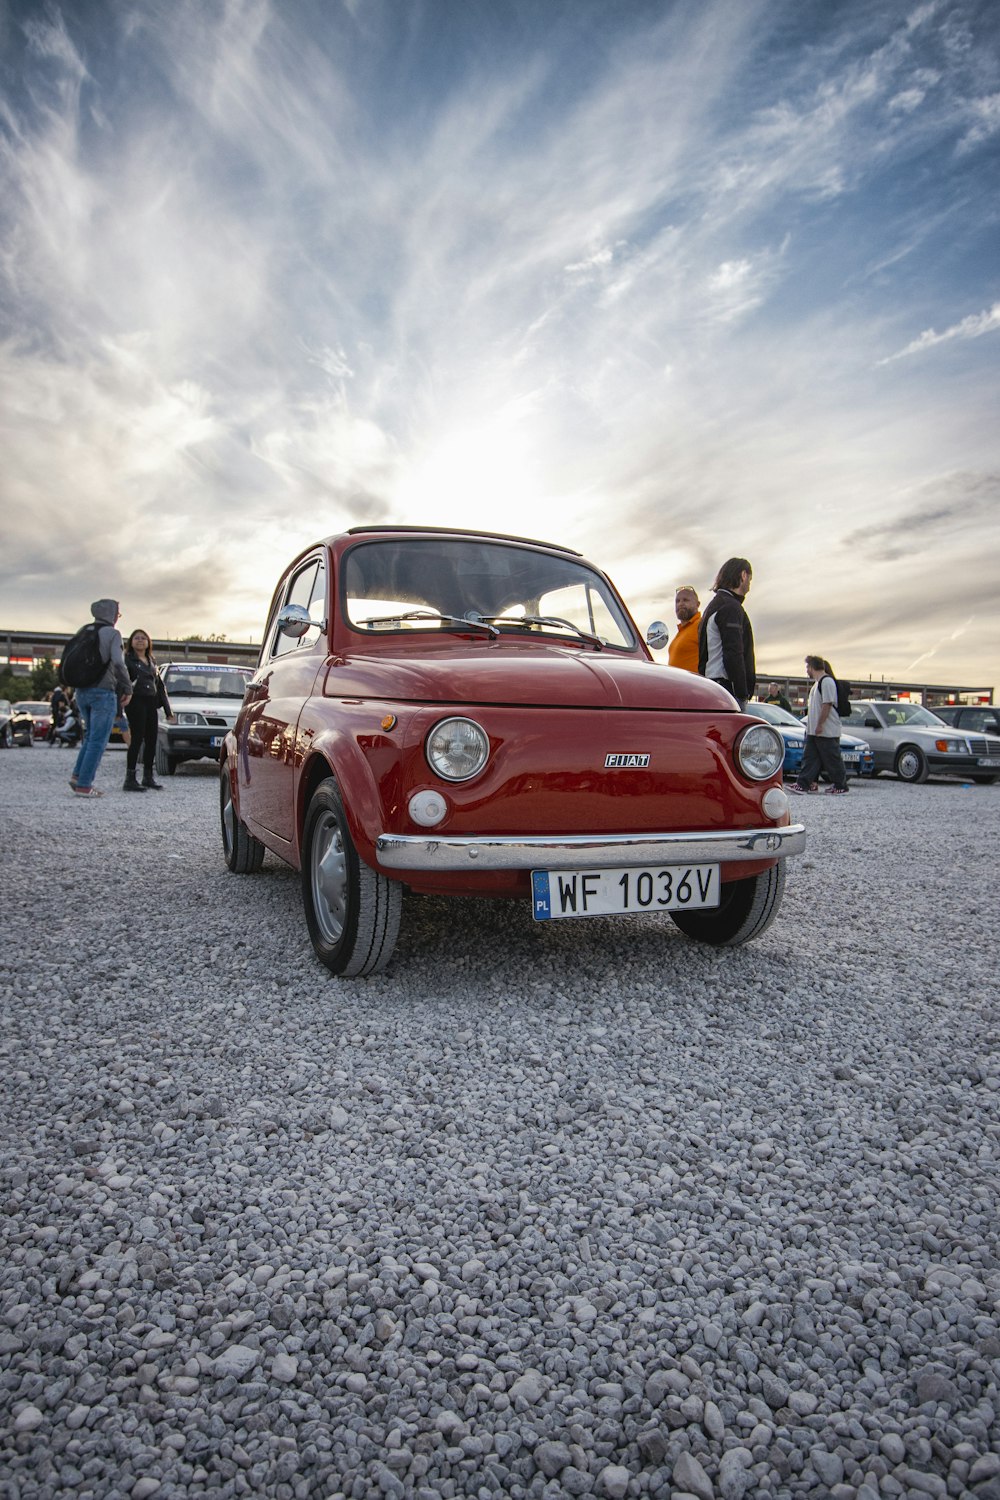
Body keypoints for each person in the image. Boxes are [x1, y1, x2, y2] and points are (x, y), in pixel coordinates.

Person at [69, 599, 132, 798]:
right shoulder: (112, 634)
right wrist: (127, 687)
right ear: (111, 614)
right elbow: (118, 663)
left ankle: (77, 776)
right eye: (117, 613)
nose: (117, 617)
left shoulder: (84, 630)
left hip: (82, 691)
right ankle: (84, 785)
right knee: (98, 740)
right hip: (103, 692)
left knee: (89, 736)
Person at [697, 557, 755, 710]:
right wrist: (742, 692)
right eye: (750, 578)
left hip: (712, 685)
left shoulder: (715, 605)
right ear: (743, 575)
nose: (749, 583)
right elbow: (733, 652)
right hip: (726, 689)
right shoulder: (730, 607)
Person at [789, 655, 848, 795]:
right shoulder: (817, 683)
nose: (806, 671)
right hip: (814, 731)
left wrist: (820, 724)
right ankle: (804, 784)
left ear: (812, 667)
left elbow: (827, 704)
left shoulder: (827, 682)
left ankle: (841, 785)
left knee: (832, 758)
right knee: (810, 758)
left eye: (807, 667)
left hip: (825, 730)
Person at [122, 628, 171, 791]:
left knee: (152, 739)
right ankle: (130, 779)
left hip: (151, 702)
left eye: (144, 638)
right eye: (136, 638)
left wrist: (168, 710)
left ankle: (148, 777)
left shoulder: (151, 660)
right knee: (137, 739)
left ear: (149, 642)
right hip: (135, 701)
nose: (140, 640)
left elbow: (160, 686)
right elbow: (121, 682)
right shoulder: (127, 660)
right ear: (131, 642)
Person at [667, 587, 701, 673]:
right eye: (677, 601)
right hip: (677, 684)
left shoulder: (701, 625)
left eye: (685, 600)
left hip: (695, 684)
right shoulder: (681, 631)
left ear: (697, 604)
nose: (680, 604)